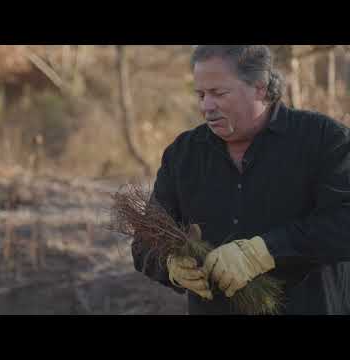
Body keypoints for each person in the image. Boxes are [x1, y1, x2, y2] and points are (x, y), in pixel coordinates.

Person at [131, 45, 350, 315]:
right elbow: (144, 242)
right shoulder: (182, 154)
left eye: (218, 93)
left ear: (259, 86)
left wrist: (265, 251)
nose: (206, 106)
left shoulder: (325, 140)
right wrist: (170, 264)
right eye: (200, 94)